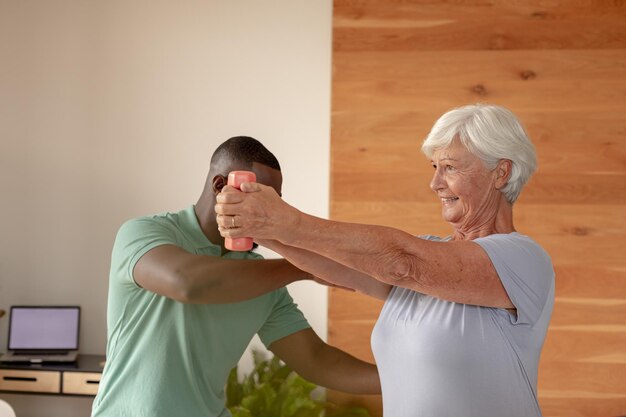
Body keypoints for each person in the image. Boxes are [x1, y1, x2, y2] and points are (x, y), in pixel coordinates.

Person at [216, 104, 555, 417]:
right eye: (435, 167)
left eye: (450, 167)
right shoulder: (428, 258)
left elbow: (403, 262)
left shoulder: (521, 259)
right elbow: (341, 267)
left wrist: (286, 221)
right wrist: (260, 227)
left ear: (501, 174)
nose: (435, 182)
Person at [91, 136, 380, 417]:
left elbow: (317, 361)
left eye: (274, 202)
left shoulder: (263, 280)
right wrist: (303, 266)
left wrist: (404, 379)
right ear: (220, 186)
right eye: (259, 198)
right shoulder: (143, 233)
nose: (270, 213)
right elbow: (186, 282)